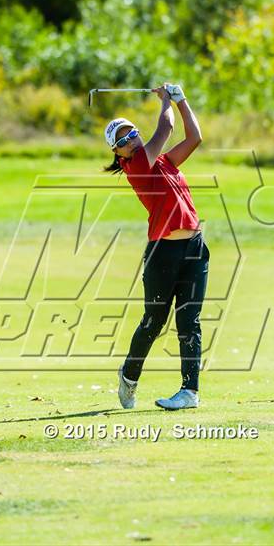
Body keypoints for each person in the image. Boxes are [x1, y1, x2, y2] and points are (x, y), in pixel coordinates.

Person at [103, 83, 210, 410]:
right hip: (162, 253)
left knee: (189, 321)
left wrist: (181, 99)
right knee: (154, 321)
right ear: (118, 155)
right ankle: (129, 375)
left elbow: (194, 139)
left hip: (194, 247)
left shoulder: (163, 162)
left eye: (131, 133)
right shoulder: (136, 166)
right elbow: (165, 128)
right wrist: (165, 100)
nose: (129, 140)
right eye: (121, 141)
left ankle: (189, 392)